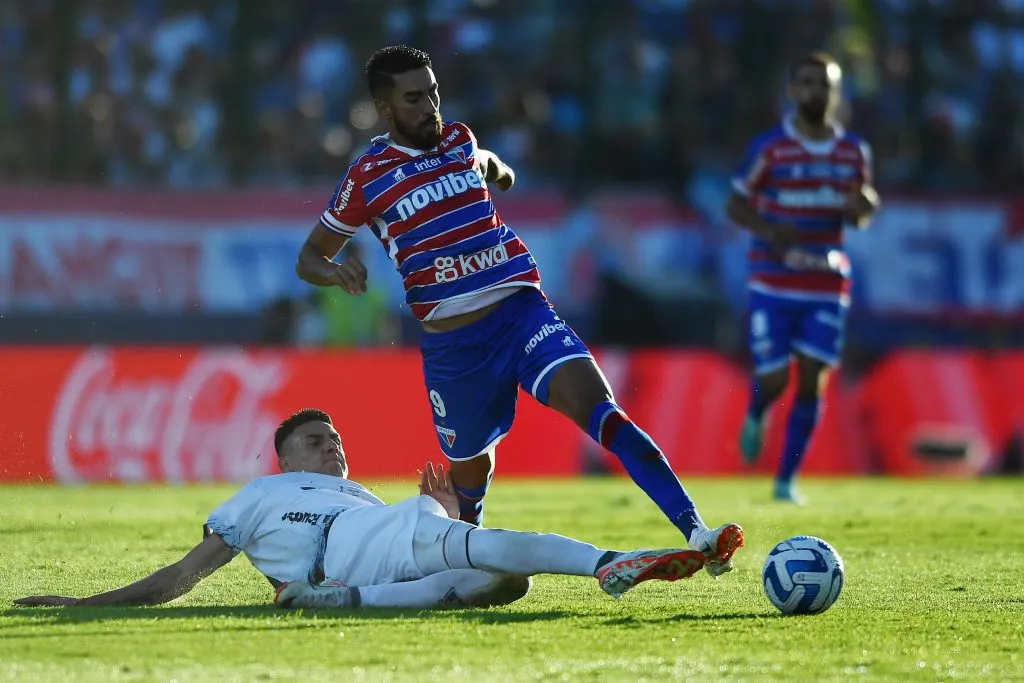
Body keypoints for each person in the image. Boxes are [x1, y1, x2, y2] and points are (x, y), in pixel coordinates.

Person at [294, 44, 743, 577]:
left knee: (604, 413)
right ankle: (469, 558)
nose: (431, 105)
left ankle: (698, 533)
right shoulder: (367, 177)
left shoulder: (459, 139)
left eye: (434, 91)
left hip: (521, 312)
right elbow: (310, 255)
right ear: (386, 108)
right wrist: (336, 269)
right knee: (471, 470)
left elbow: (480, 161)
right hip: (455, 348)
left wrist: (499, 170)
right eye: (415, 98)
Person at [14, 409, 711, 611]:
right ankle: (606, 562)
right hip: (361, 546)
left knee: (503, 579)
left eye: (337, 440)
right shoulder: (258, 496)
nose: (332, 448)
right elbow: (183, 575)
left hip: (389, 542)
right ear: (282, 456)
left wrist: (441, 513)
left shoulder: (360, 493)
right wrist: (85, 602)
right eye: (315, 441)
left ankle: (344, 601)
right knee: (492, 555)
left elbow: (421, 531)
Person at [726, 52, 881, 503]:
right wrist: (767, 229)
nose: (817, 92)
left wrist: (864, 207)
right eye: (808, 83)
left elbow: (861, 211)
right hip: (773, 280)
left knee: (812, 378)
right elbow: (736, 204)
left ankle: (785, 481)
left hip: (826, 283)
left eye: (825, 84)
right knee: (774, 380)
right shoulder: (770, 148)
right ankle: (757, 412)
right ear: (793, 91)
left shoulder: (853, 151)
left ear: (836, 94)